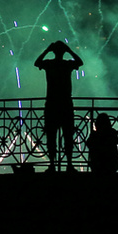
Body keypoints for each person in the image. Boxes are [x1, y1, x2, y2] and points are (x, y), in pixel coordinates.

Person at [33, 41, 83, 171]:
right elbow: (80, 62)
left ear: (53, 51)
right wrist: (70, 50)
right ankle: (69, 164)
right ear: (63, 52)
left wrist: (46, 50)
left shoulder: (49, 63)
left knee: (51, 136)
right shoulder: (67, 64)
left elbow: (37, 62)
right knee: (68, 136)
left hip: (51, 103)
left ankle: (52, 165)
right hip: (66, 103)